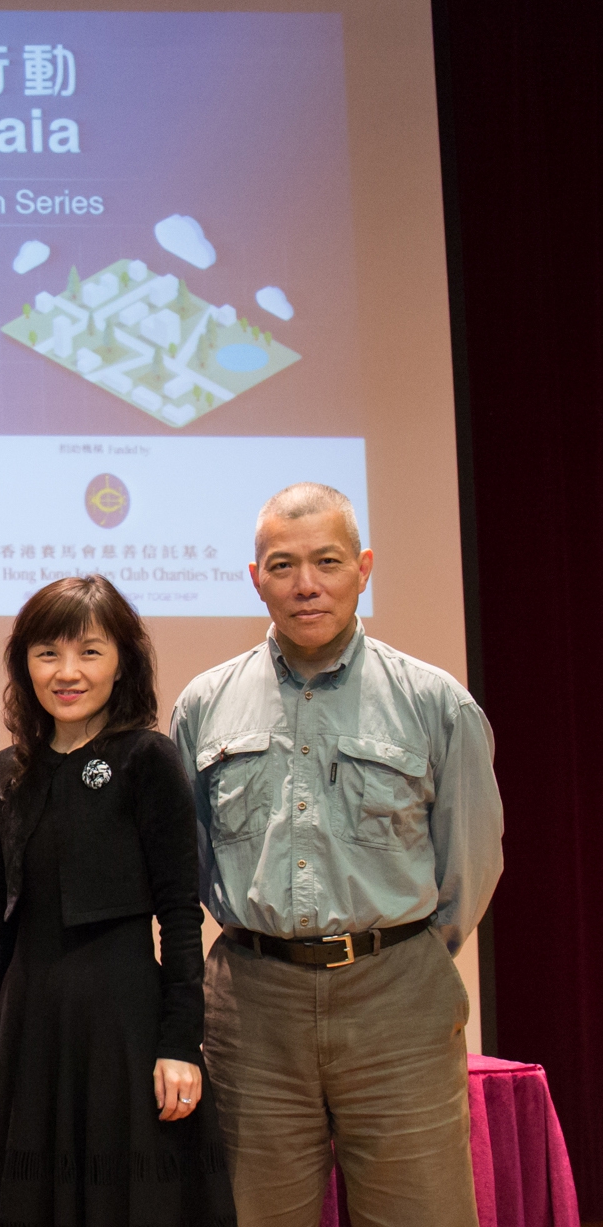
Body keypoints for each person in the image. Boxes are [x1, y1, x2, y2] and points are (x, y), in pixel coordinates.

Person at [171, 482, 504, 1227]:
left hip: (397, 1002)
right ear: (255, 578)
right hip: (254, 1008)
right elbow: (189, 861)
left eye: (327, 560)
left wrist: (400, 950)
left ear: (364, 567)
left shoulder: (434, 702)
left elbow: (471, 862)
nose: (306, 584)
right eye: (283, 565)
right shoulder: (204, 704)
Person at [0, 575, 233, 1226]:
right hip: (27, 1027)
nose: (68, 672)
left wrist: (181, 1042)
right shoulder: (9, 770)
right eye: (47, 652)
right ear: (23, 662)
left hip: (122, 1024)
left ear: (122, 662)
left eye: (90, 651)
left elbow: (179, 914)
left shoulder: (148, 758)